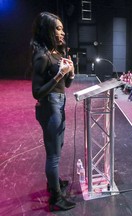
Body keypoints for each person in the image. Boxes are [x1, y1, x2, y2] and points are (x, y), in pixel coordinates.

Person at [31, 12, 76, 211]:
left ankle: (54, 183)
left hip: (59, 102)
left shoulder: (57, 53)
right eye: (57, 28)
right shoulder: (42, 56)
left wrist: (71, 73)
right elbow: (36, 92)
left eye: (61, 28)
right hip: (49, 105)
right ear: (48, 31)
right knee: (54, 155)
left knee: (59, 146)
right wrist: (59, 76)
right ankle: (56, 198)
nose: (62, 32)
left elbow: (66, 83)